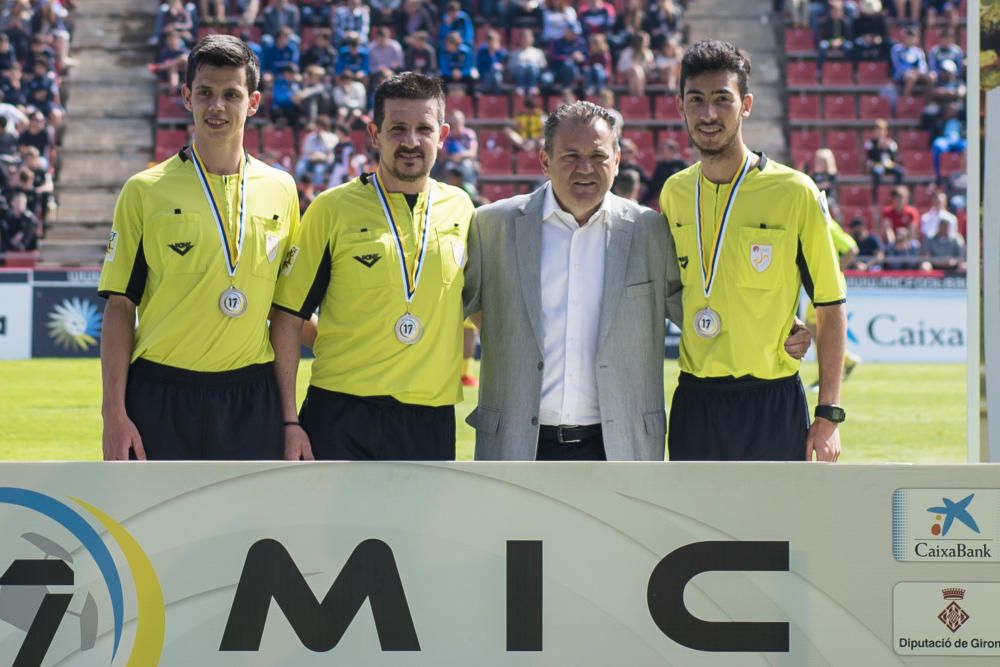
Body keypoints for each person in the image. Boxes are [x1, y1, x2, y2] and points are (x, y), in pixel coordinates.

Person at [463, 101, 812, 461]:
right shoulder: (492, 226)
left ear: (617, 161)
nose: (585, 168)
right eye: (570, 156)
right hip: (517, 444)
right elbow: (455, 304)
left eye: (598, 156)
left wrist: (777, 323)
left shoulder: (651, 232)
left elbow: (699, 307)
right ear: (544, 160)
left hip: (620, 445)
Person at [97, 35, 302, 461]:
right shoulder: (144, 190)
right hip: (160, 395)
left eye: (232, 94)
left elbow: (286, 313)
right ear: (186, 96)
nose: (217, 107)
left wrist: (289, 419)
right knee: (150, 528)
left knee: (249, 527)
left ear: (254, 102)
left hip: (251, 396)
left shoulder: (282, 189)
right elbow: (120, 307)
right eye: (205, 93)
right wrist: (113, 413)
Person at [269, 72, 475, 461]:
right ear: (374, 133)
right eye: (397, 129)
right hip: (340, 415)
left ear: (443, 134)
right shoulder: (331, 209)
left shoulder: (462, 208)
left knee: (420, 527)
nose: (411, 141)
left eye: (423, 129)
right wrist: (288, 421)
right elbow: (286, 316)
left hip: (430, 420)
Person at [659, 40, 846, 462]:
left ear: (745, 104)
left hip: (772, 402)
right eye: (697, 100)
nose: (708, 114)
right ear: (680, 107)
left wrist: (828, 415)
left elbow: (831, 305)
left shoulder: (795, 191)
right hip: (695, 401)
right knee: (690, 527)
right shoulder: (674, 193)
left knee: (775, 529)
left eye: (722, 100)